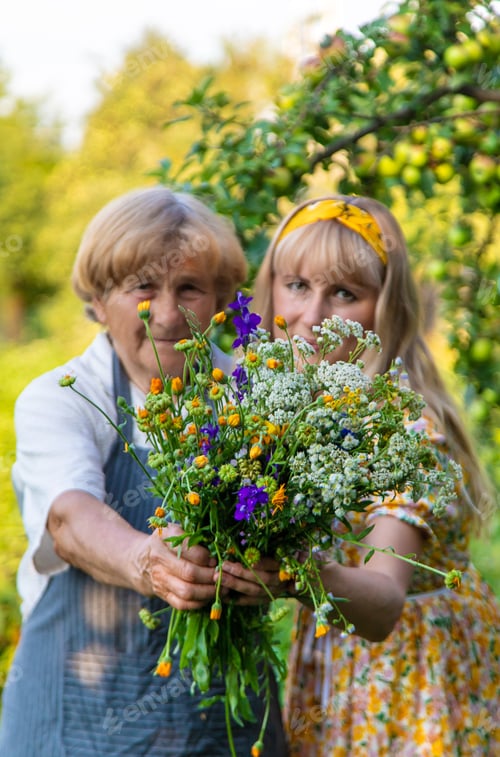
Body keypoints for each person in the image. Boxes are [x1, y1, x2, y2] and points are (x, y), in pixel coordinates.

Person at [0, 186, 287, 756]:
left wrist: (281, 573)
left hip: (221, 728)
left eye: (189, 288)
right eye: (142, 289)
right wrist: (147, 561)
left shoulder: (256, 396)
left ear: (222, 300)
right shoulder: (63, 398)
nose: (165, 313)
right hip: (75, 725)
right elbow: (69, 519)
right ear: (100, 300)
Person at [247, 194, 500, 755]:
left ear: (385, 308)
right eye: (297, 286)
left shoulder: (404, 430)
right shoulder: (304, 408)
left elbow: (383, 600)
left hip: (411, 684)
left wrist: (291, 574)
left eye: (344, 293)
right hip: (344, 666)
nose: (312, 317)